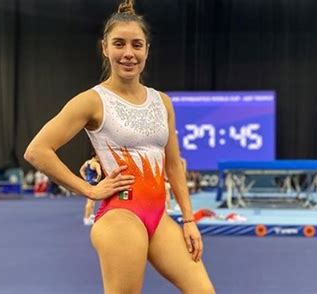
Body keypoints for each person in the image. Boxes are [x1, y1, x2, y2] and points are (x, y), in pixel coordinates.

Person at [24, 1, 215, 293]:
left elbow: (173, 165)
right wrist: (88, 189)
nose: (128, 53)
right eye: (119, 44)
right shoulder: (92, 101)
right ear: (105, 48)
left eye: (137, 45)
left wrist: (189, 219)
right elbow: (37, 151)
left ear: (147, 50)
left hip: (159, 217)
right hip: (120, 218)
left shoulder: (162, 101)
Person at [79, 153, 102, 225]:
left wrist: (85, 178)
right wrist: (96, 181)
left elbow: (81, 170)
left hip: (88, 183)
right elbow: (100, 174)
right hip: (92, 184)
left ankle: (91, 216)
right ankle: (86, 218)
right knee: (90, 202)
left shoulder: (87, 162)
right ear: (95, 156)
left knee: (92, 201)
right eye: (99, 156)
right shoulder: (96, 164)